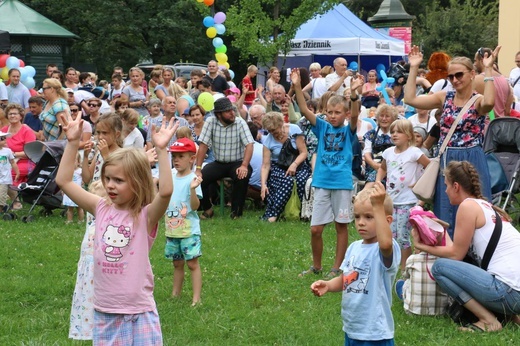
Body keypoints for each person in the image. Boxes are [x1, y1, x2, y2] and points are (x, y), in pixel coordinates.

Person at [56, 111, 178, 345]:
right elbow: (64, 181)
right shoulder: (100, 208)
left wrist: (162, 151)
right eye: (108, 179)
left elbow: (165, 192)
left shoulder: (145, 216)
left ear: (138, 182)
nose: (110, 185)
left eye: (119, 181)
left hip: (139, 313)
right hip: (104, 312)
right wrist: (72, 143)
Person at [412, 161, 520, 332]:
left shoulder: (467, 206)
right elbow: (458, 251)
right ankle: (512, 316)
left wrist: (420, 245)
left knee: (439, 268)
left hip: (509, 293)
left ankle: (488, 320)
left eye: (446, 185)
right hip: (515, 293)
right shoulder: (486, 206)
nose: (445, 191)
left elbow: (456, 256)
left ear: (456, 186)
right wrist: (442, 230)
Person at [403, 45, 498, 237]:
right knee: (446, 211)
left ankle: (476, 255)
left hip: (471, 158)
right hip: (447, 158)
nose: (454, 80)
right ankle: (449, 253)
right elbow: (410, 99)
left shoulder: (478, 100)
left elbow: (489, 103)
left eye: (459, 75)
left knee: (475, 208)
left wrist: (488, 70)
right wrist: (414, 68)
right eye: (450, 76)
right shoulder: (444, 97)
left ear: (472, 74)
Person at [292, 68, 364, 278]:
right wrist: (297, 86)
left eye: (337, 113)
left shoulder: (348, 130)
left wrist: (353, 94)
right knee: (316, 229)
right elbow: (305, 110)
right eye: (330, 112)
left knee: (341, 227)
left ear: (345, 114)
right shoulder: (322, 127)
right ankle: (316, 266)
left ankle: (337, 267)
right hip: (322, 182)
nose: (333, 116)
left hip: (341, 183)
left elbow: (356, 114)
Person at [310, 183, 401, 345]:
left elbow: (385, 245)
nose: (360, 222)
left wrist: (378, 206)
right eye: (357, 216)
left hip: (375, 333)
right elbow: (348, 277)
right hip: (353, 327)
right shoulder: (354, 247)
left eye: (369, 217)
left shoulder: (387, 248)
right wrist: (329, 285)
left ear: (386, 220)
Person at [376, 119, 430, 273]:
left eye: (398, 132)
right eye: (392, 132)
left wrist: (420, 186)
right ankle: (392, 264)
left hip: (409, 201)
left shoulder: (414, 153)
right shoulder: (388, 152)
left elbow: (431, 167)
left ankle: (404, 268)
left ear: (408, 135)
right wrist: (378, 181)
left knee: (403, 237)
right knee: (391, 236)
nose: (394, 134)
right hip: (391, 202)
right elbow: (382, 168)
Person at [195, 97, 255, 219]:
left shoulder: (240, 122)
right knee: (198, 179)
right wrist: (198, 169)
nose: (232, 113)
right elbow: (203, 146)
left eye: (232, 110)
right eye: (228, 111)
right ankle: (208, 208)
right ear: (218, 114)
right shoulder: (210, 122)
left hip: (237, 162)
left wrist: (244, 165)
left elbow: (249, 145)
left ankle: (236, 213)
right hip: (218, 162)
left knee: (242, 175)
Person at [165, 138, 203, 306]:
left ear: (192, 159)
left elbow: (195, 207)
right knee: (177, 263)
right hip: (172, 229)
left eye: (181, 156)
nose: (176, 160)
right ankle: (175, 294)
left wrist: (193, 190)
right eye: (174, 156)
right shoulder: (170, 175)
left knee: (192, 263)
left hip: (189, 230)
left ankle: (196, 298)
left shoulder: (193, 179)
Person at [260, 112, 310, 222]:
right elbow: (265, 165)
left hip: (299, 164)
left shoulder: (294, 129)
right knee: (287, 182)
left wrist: (294, 165)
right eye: (270, 131)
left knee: (301, 180)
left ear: (281, 124)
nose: (273, 133)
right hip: (279, 167)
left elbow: (303, 152)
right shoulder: (268, 140)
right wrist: (263, 184)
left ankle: (302, 212)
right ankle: (273, 213)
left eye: (274, 130)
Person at [1, 103, 37, 209]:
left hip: (25, 161)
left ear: (21, 116)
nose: (12, 116)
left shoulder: (26, 131)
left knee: (7, 173)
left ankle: (15, 201)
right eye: (10, 114)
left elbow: (31, 152)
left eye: (15, 114)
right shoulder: (3, 131)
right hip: (5, 161)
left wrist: (13, 154)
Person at [363, 104, 397, 188]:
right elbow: (366, 154)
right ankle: (363, 196)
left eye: (387, 116)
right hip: (374, 166)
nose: (384, 119)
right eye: (381, 116)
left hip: (393, 166)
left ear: (393, 118)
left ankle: (362, 196)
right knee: (375, 176)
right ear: (377, 118)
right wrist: (375, 165)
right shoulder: (371, 134)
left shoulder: (397, 133)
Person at [473, 47, 513, 117]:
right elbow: (507, 111)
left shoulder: (477, 79)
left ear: (482, 60)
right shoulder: (505, 80)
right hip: (500, 124)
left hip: (484, 125)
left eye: (475, 61)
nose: (474, 64)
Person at [62, 153, 85, 224]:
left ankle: (81, 220)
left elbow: (84, 178)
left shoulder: (80, 171)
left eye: (74, 160)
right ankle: (69, 220)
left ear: (78, 162)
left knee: (79, 207)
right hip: (70, 192)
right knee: (70, 208)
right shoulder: (68, 171)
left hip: (78, 191)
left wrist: (83, 182)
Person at [0, 131, 20, 211]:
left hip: (7, 177)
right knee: (2, 194)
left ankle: (16, 203)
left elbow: (12, 162)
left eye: (4, 138)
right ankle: (2, 207)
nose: (4, 140)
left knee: (12, 192)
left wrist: (17, 172)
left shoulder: (7, 151)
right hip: (1, 179)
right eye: (2, 139)